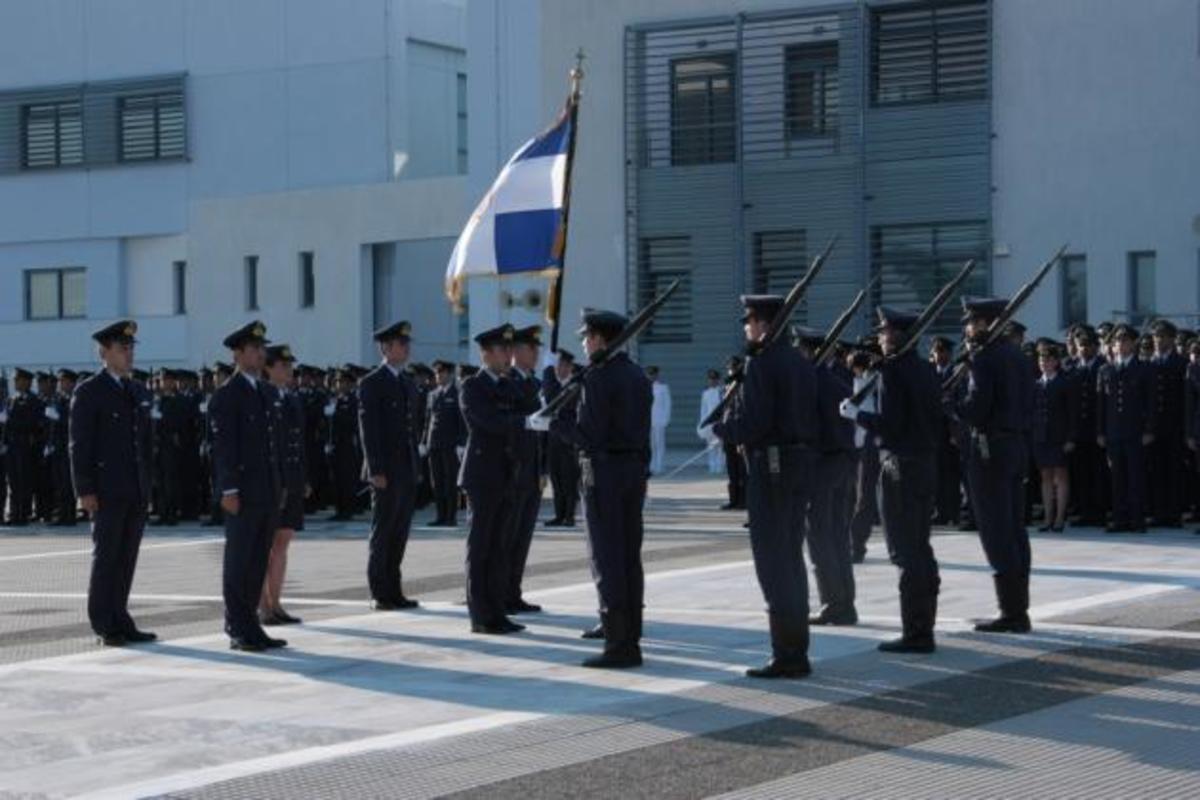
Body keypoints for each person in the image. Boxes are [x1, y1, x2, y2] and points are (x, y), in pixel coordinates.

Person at [535, 308, 652, 668]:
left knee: (606, 558)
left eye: (587, 337)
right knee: (629, 557)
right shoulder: (636, 375)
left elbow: (589, 434)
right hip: (632, 472)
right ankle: (630, 635)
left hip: (602, 472)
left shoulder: (599, 378)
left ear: (601, 339)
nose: (584, 344)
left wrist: (553, 425)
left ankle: (618, 645)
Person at [712, 295, 817, 678]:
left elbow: (755, 422)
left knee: (773, 562)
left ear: (764, 324)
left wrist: (723, 429)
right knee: (791, 559)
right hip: (796, 465)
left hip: (770, 467)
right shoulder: (800, 363)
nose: (746, 327)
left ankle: (786, 653)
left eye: (750, 321)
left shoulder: (762, 363)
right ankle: (797, 648)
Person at [841, 308, 943, 652]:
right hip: (925, 463)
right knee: (921, 548)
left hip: (899, 465)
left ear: (897, 336)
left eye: (884, 333)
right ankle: (923, 626)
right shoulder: (927, 370)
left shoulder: (892, 373)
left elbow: (891, 423)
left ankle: (916, 632)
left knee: (904, 551)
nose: (881, 338)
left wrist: (859, 415)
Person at [69, 320, 156, 646]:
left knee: (127, 556)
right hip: (106, 490)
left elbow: (145, 444)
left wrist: (148, 485)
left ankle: (121, 617)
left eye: (132, 347)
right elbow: (79, 444)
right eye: (123, 348)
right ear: (104, 353)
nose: (129, 353)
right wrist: (85, 489)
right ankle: (104, 623)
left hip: (134, 487)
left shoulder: (136, 390)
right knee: (107, 557)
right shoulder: (90, 391)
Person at [955, 297, 1036, 633]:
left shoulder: (984, 359)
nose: (967, 329)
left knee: (996, 530)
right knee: (1015, 528)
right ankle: (1020, 607)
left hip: (989, 447)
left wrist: (951, 403)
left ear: (986, 323)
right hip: (1015, 444)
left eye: (971, 323)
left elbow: (975, 409)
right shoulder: (1018, 355)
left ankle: (1011, 612)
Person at [209, 320, 287, 652]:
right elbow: (223, 447)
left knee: (257, 560)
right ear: (238, 354)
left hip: (266, 490)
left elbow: (275, 445)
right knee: (239, 561)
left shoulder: (268, 392)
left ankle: (252, 623)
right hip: (241, 492)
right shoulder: (227, 396)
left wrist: (280, 484)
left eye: (261, 348)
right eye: (254, 349)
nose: (260, 353)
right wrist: (228, 490)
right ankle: (236, 626)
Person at [459, 323, 526, 635]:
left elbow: (528, 411)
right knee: (482, 545)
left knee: (501, 546)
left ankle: (497, 611)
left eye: (510, 349)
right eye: (502, 349)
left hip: (506, 473)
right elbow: (488, 422)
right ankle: (480, 615)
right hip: (482, 475)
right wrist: (523, 421)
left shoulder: (510, 384)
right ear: (485, 353)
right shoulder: (473, 386)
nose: (508, 355)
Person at [359, 321, 422, 610]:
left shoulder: (408, 382)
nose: (406, 348)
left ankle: (395, 589)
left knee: (400, 531)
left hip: (406, 467)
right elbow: (368, 429)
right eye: (401, 343)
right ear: (385, 347)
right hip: (385, 470)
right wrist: (375, 470)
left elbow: (413, 426)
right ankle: (380, 592)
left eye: (407, 343)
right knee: (383, 531)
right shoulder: (372, 383)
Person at [260, 344, 306, 626]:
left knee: (283, 542)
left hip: (292, 478)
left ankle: (276, 603)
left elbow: (299, 443)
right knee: (265, 545)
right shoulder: (263, 397)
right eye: (283, 366)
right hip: (272, 481)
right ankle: (263, 606)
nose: (289, 371)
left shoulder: (291, 398)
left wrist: (304, 478)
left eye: (290, 366)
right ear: (269, 368)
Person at [1097, 323, 1154, 533]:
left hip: (1135, 432)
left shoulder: (1144, 368)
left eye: (1124, 341)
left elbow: (1150, 403)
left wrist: (1149, 430)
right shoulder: (1106, 370)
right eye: (1116, 341)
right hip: (1113, 432)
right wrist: (1100, 431)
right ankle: (1120, 519)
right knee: (1117, 478)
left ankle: (1137, 520)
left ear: (1133, 344)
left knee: (1135, 477)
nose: (1120, 345)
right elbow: (1101, 404)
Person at [505, 325, 545, 615]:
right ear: (517, 351)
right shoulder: (508, 383)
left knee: (523, 537)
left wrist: (542, 469)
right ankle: (502, 593)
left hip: (531, 471)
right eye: (532, 348)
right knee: (509, 535)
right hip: (513, 470)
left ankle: (513, 592)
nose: (537, 353)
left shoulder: (534, 384)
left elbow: (540, 434)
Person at [1067, 326, 1108, 526]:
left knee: (1098, 472)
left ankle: (1098, 512)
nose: (1083, 349)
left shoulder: (1102, 365)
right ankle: (1084, 512)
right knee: (1081, 473)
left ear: (1095, 347)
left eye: (1087, 346)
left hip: (1095, 429)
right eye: (1080, 345)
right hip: (1078, 430)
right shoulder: (1072, 367)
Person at [1148, 319, 1186, 527]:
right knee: (1156, 469)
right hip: (1155, 426)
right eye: (1156, 336)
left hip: (1174, 425)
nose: (1158, 340)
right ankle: (1158, 512)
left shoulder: (1180, 363)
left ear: (1171, 339)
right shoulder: (1150, 363)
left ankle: (1174, 514)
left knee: (1173, 471)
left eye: (1162, 336)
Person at [1032, 339, 1071, 532]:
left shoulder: (1064, 383)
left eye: (1048, 360)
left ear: (1056, 362)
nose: (1044, 363)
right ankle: (1047, 518)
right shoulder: (1037, 384)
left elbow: (1071, 413)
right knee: (1045, 476)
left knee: (1061, 477)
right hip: (1041, 437)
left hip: (1059, 437)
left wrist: (1070, 438)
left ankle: (1059, 518)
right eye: (1041, 360)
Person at [423, 359, 466, 527]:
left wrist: (461, 443)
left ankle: (450, 517)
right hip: (434, 444)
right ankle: (440, 516)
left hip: (450, 444)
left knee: (450, 482)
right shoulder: (433, 394)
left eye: (440, 373)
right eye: (436, 373)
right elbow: (428, 420)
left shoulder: (457, 394)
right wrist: (423, 441)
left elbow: (462, 421)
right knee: (437, 482)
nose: (437, 376)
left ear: (449, 374)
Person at [543, 350, 581, 527]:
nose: (559, 369)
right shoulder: (556, 385)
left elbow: (556, 399)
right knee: (556, 478)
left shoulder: (574, 386)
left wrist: (547, 370)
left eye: (563, 366)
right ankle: (559, 514)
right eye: (557, 366)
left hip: (568, 440)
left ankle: (569, 515)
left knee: (569, 479)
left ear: (570, 367)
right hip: (553, 439)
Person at [929, 336, 961, 525]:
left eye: (942, 351)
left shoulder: (955, 371)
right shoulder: (930, 371)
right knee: (938, 472)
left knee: (952, 473)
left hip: (951, 430)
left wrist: (954, 432)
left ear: (949, 353)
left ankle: (954, 510)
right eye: (936, 351)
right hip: (935, 431)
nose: (939, 355)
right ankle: (941, 511)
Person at [4, 368, 41, 525]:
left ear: (26, 382)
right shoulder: (12, 399)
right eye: (14, 380)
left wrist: (11, 422)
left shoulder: (34, 401)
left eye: (18, 380)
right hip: (12, 447)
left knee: (24, 482)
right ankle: (14, 513)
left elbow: (33, 424)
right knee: (13, 482)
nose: (15, 383)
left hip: (25, 446)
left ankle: (23, 514)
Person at [46, 368, 76, 526]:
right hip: (57, 446)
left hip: (68, 447)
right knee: (58, 482)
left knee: (67, 483)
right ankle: (62, 513)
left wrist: (60, 417)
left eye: (62, 381)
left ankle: (70, 515)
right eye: (58, 381)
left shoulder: (74, 399)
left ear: (71, 382)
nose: (59, 384)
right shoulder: (58, 399)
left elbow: (75, 422)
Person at [719, 356, 747, 511]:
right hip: (728, 433)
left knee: (741, 470)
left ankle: (743, 500)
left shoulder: (742, 386)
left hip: (738, 433)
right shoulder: (727, 387)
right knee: (731, 470)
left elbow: (739, 410)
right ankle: (734, 499)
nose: (730, 371)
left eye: (732, 368)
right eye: (729, 368)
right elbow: (724, 411)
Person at [696, 369, 725, 474]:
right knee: (710, 445)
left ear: (718, 380)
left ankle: (719, 465)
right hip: (709, 422)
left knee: (720, 445)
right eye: (710, 379)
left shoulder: (722, 391)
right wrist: (702, 423)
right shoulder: (705, 393)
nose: (712, 381)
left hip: (719, 421)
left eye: (714, 379)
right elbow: (703, 409)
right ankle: (712, 465)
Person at [647, 366, 671, 475]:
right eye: (650, 374)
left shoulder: (663, 388)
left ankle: (660, 465)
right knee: (651, 444)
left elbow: (668, 404)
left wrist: (666, 419)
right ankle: (652, 465)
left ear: (657, 375)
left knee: (660, 444)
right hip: (648, 420)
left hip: (660, 419)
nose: (652, 376)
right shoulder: (645, 387)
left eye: (653, 374)